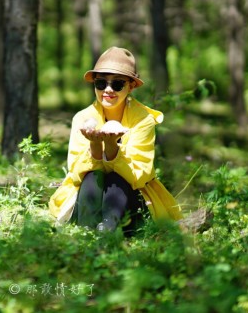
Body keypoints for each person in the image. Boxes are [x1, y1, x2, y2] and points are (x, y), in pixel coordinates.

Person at [48, 46, 182, 236]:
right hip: (88, 198)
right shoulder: (82, 118)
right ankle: (88, 231)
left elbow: (140, 176)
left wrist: (112, 149)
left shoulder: (143, 119)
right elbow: (77, 173)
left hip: (130, 202)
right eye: (101, 83)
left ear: (131, 86)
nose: (108, 90)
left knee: (116, 178)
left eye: (117, 84)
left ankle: (107, 232)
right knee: (93, 177)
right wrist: (95, 146)